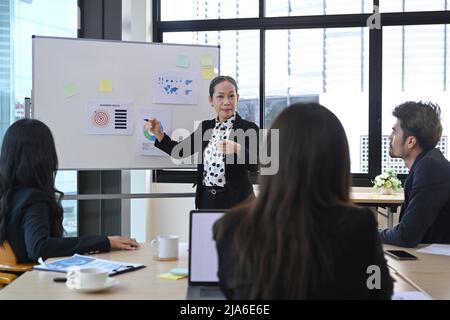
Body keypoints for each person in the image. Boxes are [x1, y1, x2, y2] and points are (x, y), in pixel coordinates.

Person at [213, 103, 393, 299]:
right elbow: (378, 291)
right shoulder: (358, 225)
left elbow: (229, 293)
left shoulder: (231, 227)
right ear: (338, 162)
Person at [0, 119, 140, 263]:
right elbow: (39, 247)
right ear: (44, 156)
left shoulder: (7, 194)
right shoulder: (33, 199)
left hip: (8, 281)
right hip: (30, 280)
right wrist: (105, 241)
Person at [148, 75, 259, 209]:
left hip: (237, 202)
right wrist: (158, 133)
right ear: (211, 100)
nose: (226, 102)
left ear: (237, 98)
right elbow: (179, 151)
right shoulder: (206, 127)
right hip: (207, 199)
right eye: (220, 96)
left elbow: (256, 165)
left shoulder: (248, 128)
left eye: (231, 96)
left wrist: (237, 149)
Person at [379, 101, 450, 247]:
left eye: (394, 131)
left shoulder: (431, 168)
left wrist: (368, 233)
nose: (389, 137)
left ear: (411, 141)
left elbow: (406, 235)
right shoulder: (427, 164)